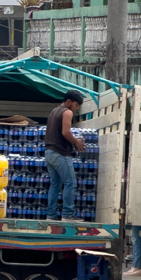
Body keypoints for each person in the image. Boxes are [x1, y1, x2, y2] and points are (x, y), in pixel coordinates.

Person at [45, 89, 87, 222]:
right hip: (60, 153)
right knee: (70, 183)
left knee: (55, 185)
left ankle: (51, 216)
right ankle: (68, 215)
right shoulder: (67, 112)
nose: (76, 108)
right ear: (69, 101)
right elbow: (65, 132)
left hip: (49, 152)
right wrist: (76, 143)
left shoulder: (54, 110)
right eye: (76, 105)